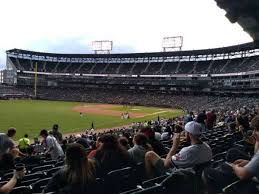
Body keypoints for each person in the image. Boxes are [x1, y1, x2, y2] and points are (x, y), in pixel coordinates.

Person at [203, 115, 259, 194]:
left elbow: (243, 174)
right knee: (231, 154)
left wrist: (234, 167)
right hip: (254, 172)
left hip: (254, 183)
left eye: (256, 130)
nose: (253, 133)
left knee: (207, 172)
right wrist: (249, 162)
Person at [145, 121, 212, 178]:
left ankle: (150, 181)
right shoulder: (207, 147)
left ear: (189, 134)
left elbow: (166, 165)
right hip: (197, 176)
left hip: (180, 176)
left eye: (185, 132)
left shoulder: (187, 151)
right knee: (162, 159)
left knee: (149, 154)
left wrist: (174, 146)